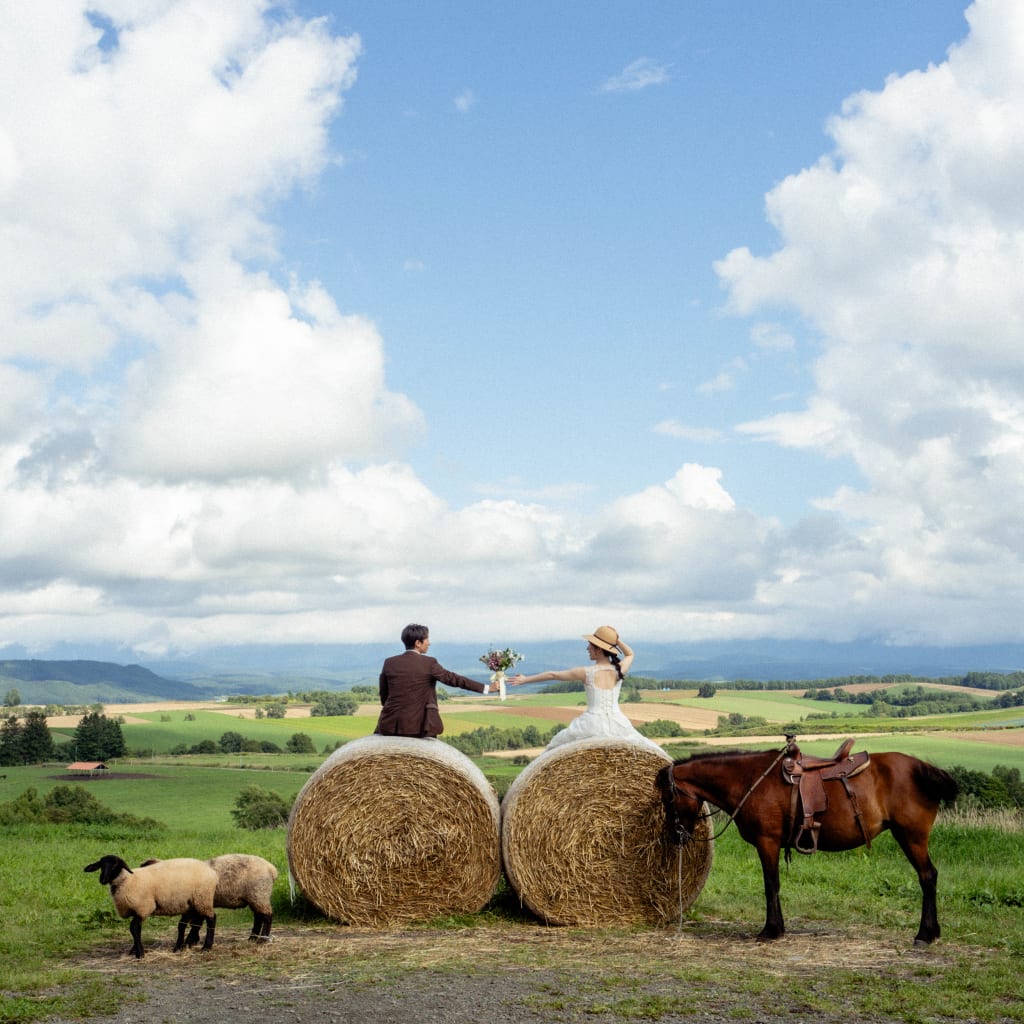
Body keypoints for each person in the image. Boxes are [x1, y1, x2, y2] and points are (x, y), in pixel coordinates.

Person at [508, 625, 663, 754]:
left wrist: (525, 680)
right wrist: (615, 640)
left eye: (591, 645)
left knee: (553, 750)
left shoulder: (586, 672)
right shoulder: (619, 670)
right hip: (617, 721)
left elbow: (552, 674)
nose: (587, 648)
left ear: (599, 650)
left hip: (591, 723)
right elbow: (630, 653)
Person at [375, 623, 494, 738]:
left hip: (389, 725)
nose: (429, 643)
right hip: (417, 727)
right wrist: (487, 688)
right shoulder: (429, 663)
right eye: (427, 639)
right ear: (418, 643)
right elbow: (454, 679)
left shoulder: (389, 663)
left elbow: (384, 695)